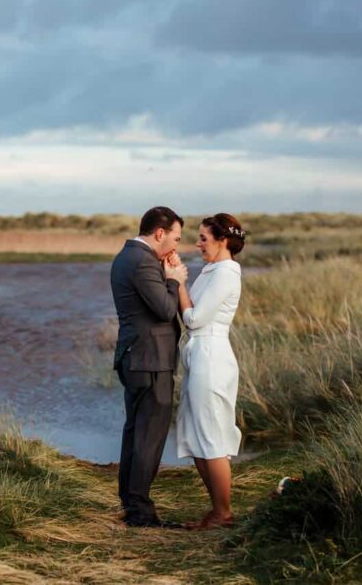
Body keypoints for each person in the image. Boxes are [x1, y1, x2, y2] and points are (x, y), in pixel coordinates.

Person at [110, 206, 188, 528]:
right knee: (149, 435)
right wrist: (174, 280)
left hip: (137, 357)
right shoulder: (142, 261)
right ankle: (140, 511)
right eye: (175, 238)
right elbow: (165, 309)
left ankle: (131, 501)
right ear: (159, 233)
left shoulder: (126, 256)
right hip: (149, 359)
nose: (177, 246)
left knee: (135, 431)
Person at [174, 213, 246, 530]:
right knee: (196, 432)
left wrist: (178, 284)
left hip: (212, 355)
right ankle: (217, 510)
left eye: (204, 238)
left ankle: (224, 513)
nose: (198, 243)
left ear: (222, 240)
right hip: (199, 353)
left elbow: (194, 319)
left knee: (211, 434)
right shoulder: (211, 270)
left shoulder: (227, 273)